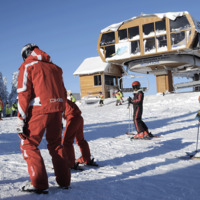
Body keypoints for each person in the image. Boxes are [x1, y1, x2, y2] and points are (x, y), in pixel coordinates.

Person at [17, 43, 70, 194]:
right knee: (55, 144)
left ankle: (39, 182)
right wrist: (61, 111)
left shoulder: (28, 65)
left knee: (28, 144)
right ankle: (64, 180)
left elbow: (24, 93)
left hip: (39, 109)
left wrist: (21, 118)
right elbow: (63, 92)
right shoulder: (56, 68)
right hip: (56, 110)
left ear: (26, 54)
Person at [62, 99, 98, 170]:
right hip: (79, 118)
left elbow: (57, 113)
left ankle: (70, 163)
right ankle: (86, 159)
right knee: (80, 140)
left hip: (72, 118)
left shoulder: (59, 100)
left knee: (66, 141)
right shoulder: (65, 99)